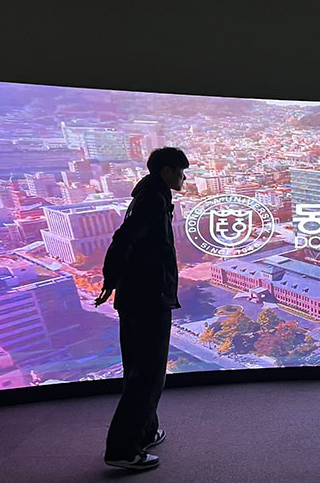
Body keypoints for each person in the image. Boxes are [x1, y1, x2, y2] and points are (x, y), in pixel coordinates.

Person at [95, 147, 188, 471]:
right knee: (148, 375)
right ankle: (123, 449)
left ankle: (145, 431)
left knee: (139, 368)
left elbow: (128, 241)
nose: (184, 178)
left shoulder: (149, 195)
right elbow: (124, 239)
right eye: (180, 171)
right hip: (148, 297)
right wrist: (110, 279)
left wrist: (113, 281)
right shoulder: (152, 200)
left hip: (137, 295)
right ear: (166, 171)